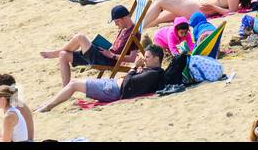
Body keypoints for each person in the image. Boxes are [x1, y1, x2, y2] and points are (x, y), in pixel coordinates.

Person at [36, 44, 166, 112]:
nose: (145, 59)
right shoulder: (152, 71)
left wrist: (133, 69)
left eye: (147, 57)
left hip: (112, 90)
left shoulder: (152, 73)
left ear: (156, 58)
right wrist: (138, 71)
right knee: (74, 83)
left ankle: (47, 107)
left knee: (73, 84)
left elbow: (128, 83)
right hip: (112, 84)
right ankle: (47, 104)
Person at [40, 4, 144, 85]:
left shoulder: (135, 33)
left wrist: (112, 55)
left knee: (81, 37)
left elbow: (132, 58)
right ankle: (65, 89)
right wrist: (107, 48)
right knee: (63, 55)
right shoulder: (123, 29)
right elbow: (116, 47)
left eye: (117, 21)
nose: (115, 24)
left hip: (107, 60)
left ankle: (54, 53)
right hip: (102, 55)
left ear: (125, 18)